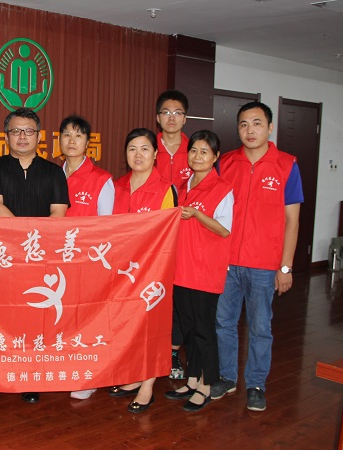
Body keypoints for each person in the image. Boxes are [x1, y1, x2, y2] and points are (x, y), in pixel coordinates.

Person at [210, 101, 303, 412]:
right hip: (227, 262)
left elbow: (292, 220)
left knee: (260, 327)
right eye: (244, 124)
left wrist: (285, 267)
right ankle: (227, 377)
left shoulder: (287, 165)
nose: (250, 130)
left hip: (264, 264)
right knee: (224, 323)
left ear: (270, 127)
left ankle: (256, 384)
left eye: (257, 123)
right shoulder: (226, 163)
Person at [0, 107, 69, 403]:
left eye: (28, 131)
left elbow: (58, 213)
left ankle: (29, 377)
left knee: (33, 319)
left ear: (39, 136)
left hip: (41, 258)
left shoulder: (54, 172)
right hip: (2, 256)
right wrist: (25, 240)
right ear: (6, 136)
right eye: (16, 131)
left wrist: (35, 245)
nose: (22, 136)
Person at [163, 130, 233, 412]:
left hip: (205, 270)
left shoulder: (222, 188)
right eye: (193, 150)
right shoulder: (182, 186)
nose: (197, 156)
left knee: (204, 330)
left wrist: (198, 214)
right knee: (189, 328)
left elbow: (225, 229)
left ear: (216, 157)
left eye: (205, 152)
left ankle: (207, 383)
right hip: (181, 268)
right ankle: (192, 379)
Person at [108, 127, 177, 414]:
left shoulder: (165, 189)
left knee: (150, 327)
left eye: (145, 149)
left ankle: (147, 386)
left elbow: (168, 234)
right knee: (128, 326)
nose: (138, 155)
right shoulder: (117, 185)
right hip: (122, 272)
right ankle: (133, 377)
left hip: (152, 271)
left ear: (156, 154)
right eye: (132, 149)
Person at [58, 114, 114, 400]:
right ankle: (65, 367)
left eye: (78, 135)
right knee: (63, 318)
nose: (72, 140)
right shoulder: (53, 174)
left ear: (88, 142)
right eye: (67, 135)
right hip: (57, 262)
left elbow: (107, 227)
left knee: (87, 320)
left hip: (87, 263)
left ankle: (87, 376)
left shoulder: (102, 179)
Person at [154, 89, 191, 380]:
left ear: (185, 118)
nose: (171, 118)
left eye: (177, 113)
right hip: (152, 236)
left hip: (186, 234)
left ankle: (174, 352)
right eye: (166, 112)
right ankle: (149, 352)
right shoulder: (147, 146)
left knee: (179, 297)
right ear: (158, 117)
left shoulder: (195, 149)